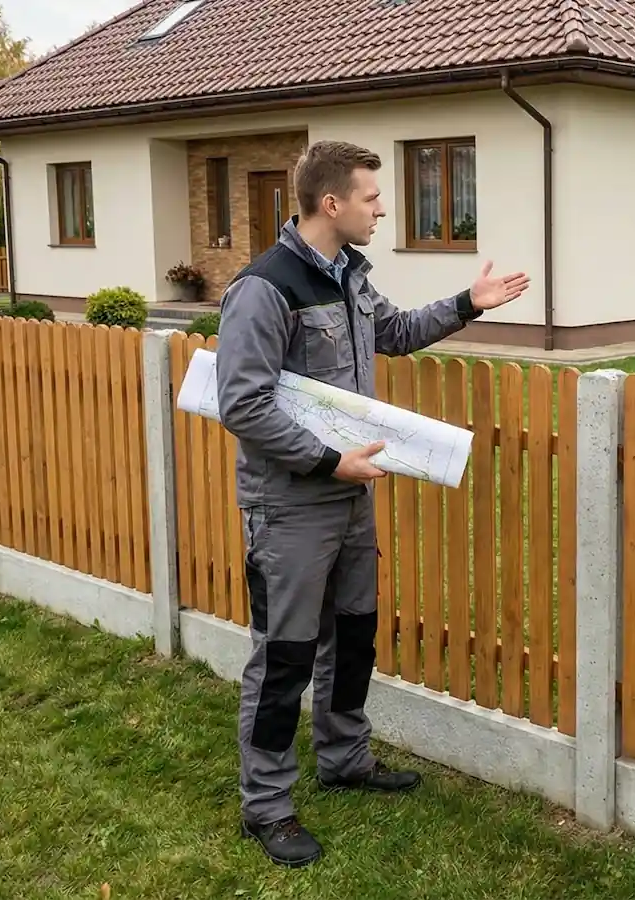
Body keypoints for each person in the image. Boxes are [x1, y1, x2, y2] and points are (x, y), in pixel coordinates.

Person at [215, 140, 530, 868]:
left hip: (352, 497)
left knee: (353, 637)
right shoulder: (266, 288)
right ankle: (266, 805)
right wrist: (331, 460)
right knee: (284, 655)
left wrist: (465, 305)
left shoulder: (351, 276)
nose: (382, 208)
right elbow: (244, 404)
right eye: (371, 197)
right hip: (291, 505)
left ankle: (345, 758)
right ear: (331, 203)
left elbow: (394, 333)